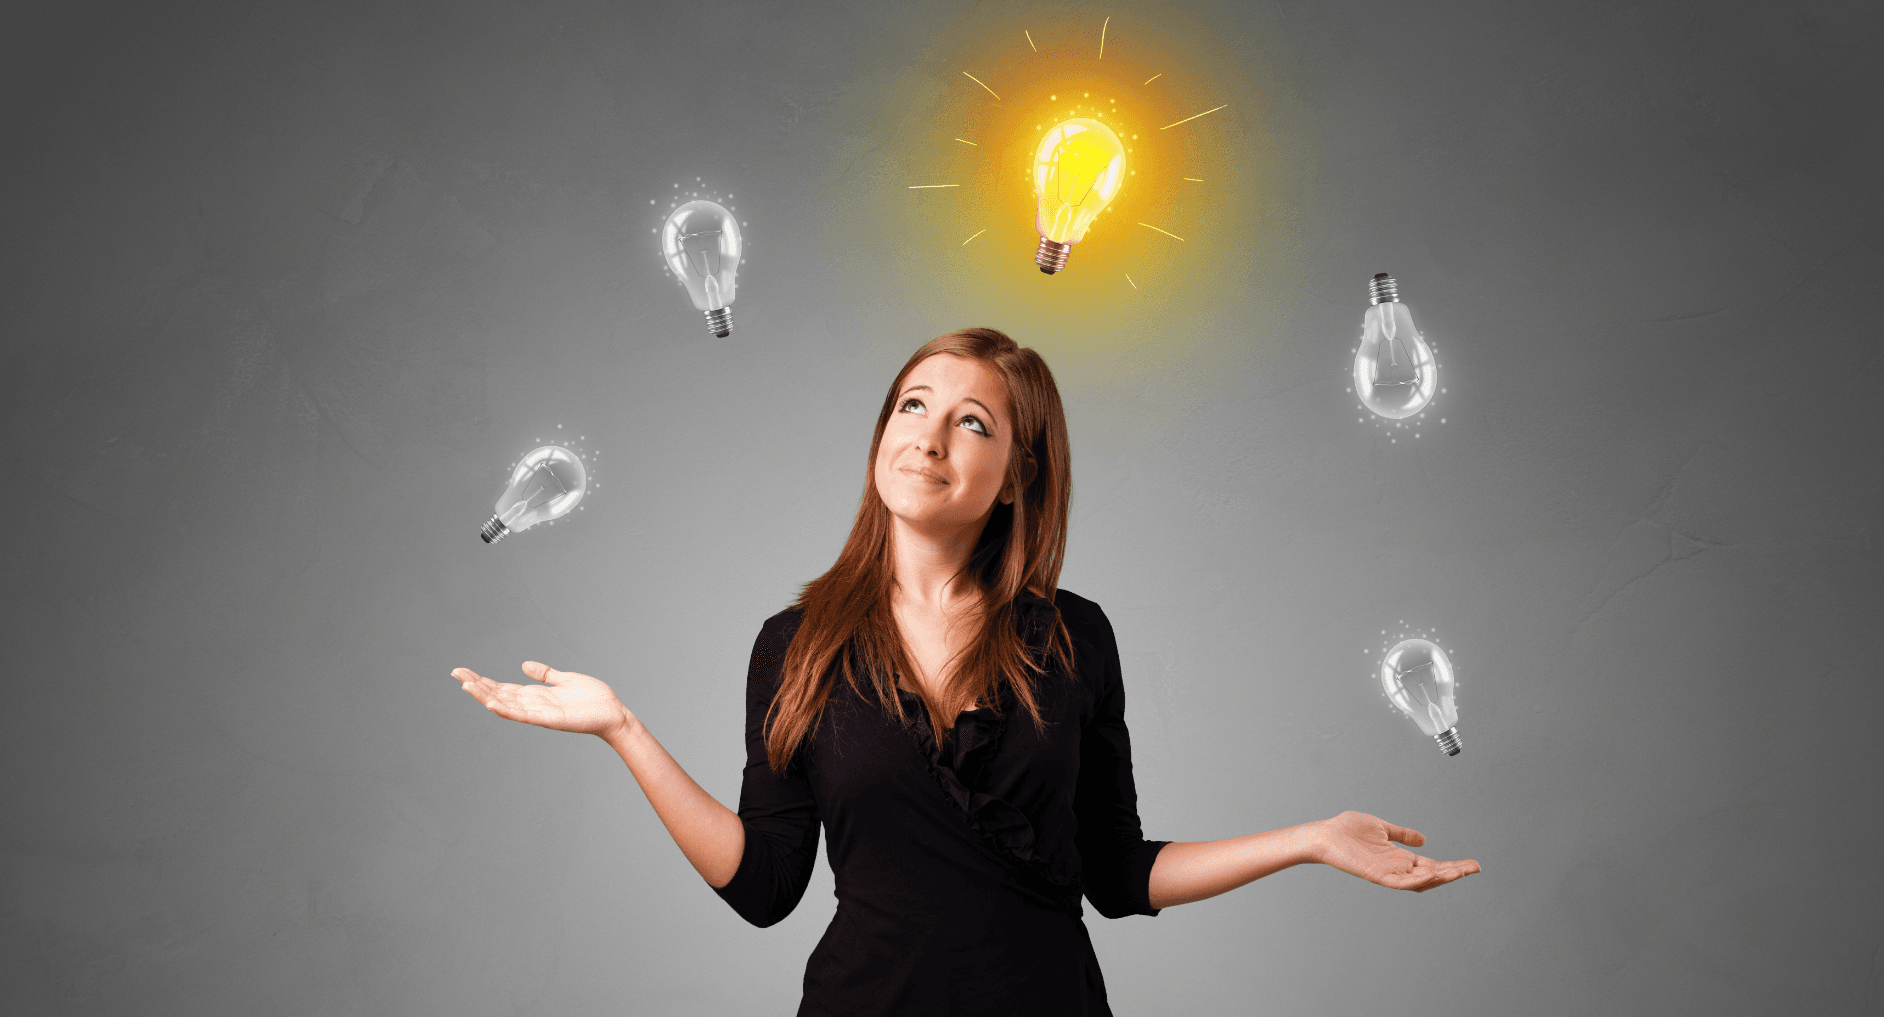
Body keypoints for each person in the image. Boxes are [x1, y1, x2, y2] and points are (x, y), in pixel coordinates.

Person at [450, 327, 1480, 1016]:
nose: (930, 437)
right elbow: (766, 885)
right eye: (912, 405)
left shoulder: (1075, 637)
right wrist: (623, 730)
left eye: (972, 422)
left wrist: (1309, 839)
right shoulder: (794, 643)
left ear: (1018, 474)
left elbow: (1116, 875)